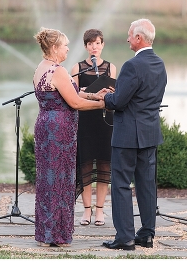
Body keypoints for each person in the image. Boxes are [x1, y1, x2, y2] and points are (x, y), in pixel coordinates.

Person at [32, 27, 105, 248]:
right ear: (54, 48)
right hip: (59, 130)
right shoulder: (59, 71)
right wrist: (103, 104)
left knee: (47, 181)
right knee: (61, 181)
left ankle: (46, 234)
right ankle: (58, 235)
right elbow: (74, 103)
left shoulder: (41, 68)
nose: (67, 49)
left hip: (45, 125)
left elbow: (71, 93)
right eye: (64, 45)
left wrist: (93, 94)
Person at [99, 19, 167, 251]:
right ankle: (146, 235)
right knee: (147, 185)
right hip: (149, 135)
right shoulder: (160, 64)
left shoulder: (131, 66)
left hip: (128, 135)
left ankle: (125, 238)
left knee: (120, 184)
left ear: (139, 38)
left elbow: (118, 101)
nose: (127, 39)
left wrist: (107, 97)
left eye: (129, 35)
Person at [70, 29, 118, 227]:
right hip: (85, 121)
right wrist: (92, 96)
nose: (94, 47)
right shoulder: (77, 67)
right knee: (86, 165)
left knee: (105, 165)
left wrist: (106, 93)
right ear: (85, 47)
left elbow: (114, 92)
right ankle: (86, 211)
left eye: (97, 43)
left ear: (102, 45)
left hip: (105, 121)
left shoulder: (110, 67)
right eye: (90, 44)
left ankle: (100, 211)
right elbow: (73, 93)